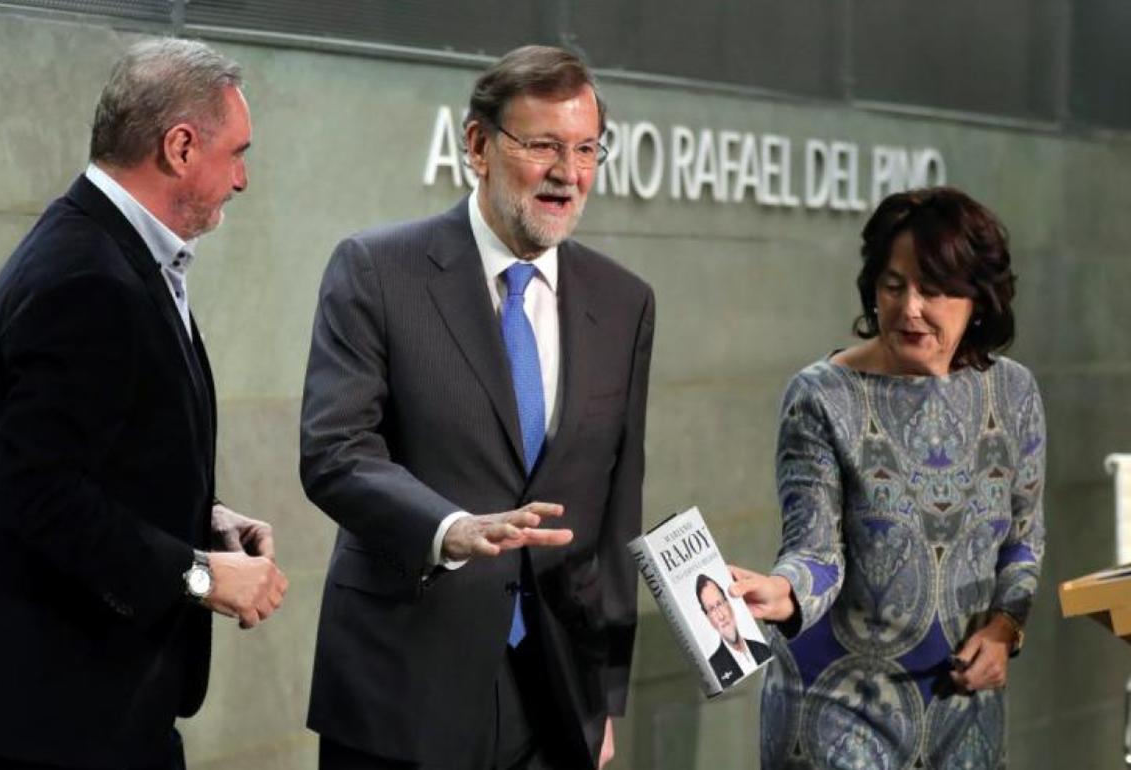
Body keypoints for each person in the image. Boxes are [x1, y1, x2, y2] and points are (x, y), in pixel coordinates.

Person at [0, 38, 288, 769]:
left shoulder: (105, 250)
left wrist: (203, 520)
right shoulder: (87, 278)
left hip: (94, 705)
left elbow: (95, 455)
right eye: (237, 152)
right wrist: (203, 575)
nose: (242, 179)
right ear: (180, 146)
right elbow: (37, 492)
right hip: (56, 716)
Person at [300, 45, 655, 770]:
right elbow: (335, 451)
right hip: (403, 683)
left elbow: (618, 507)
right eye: (543, 146)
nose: (568, 173)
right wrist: (450, 528)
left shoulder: (625, 302)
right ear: (477, 145)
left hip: (554, 692)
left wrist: (602, 696)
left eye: (587, 149)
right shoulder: (376, 271)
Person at [730, 187, 1045, 769]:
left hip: (964, 714)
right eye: (894, 284)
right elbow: (816, 549)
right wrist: (785, 592)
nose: (910, 308)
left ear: (978, 297)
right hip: (839, 712)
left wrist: (1005, 629)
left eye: (933, 288)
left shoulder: (1015, 391)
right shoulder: (822, 396)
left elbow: (1023, 541)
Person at [695, 574, 770, 687]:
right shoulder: (713, 670)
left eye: (719, 604)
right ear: (708, 619)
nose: (721, 616)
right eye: (711, 609)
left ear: (729, 604)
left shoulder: (763, 649)